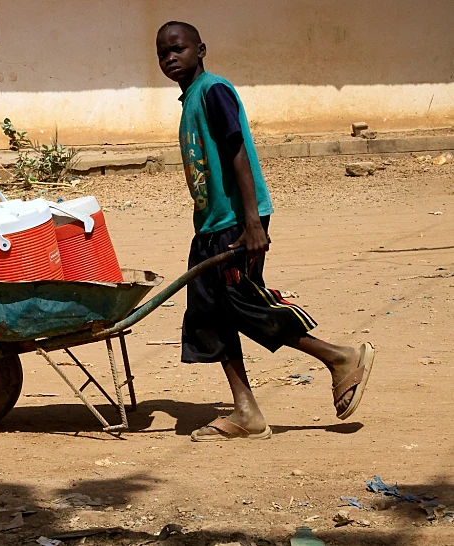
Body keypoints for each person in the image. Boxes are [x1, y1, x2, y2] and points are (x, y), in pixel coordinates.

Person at [156, 21, 376, 441]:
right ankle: (246, 412)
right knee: (207, 315)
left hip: (238, 223)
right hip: (210, 225)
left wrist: (253, 222)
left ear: (200, 50)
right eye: (162, 53)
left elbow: (237, 150)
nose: (170, 58)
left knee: (245, 306)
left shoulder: (214, 91)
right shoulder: (190, 102)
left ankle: (341, 358)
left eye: (178, 48)